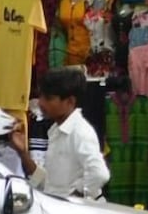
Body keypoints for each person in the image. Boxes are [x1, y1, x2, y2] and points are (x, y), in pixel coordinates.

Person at [9, 68, 110, 199]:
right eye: (41, 96)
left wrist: (73, 197)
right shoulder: (56, 130)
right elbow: (48, 183)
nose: (41, 103)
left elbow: (100, 174)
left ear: (70, 101)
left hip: (73, 209)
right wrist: (23, 153)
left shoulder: (80, 132)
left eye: (48, 98)